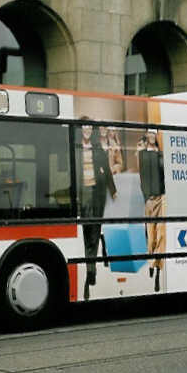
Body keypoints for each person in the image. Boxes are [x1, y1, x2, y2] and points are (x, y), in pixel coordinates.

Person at [77, 119, 117, 300]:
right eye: (84, 127)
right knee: (87, 234)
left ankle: (90, 270)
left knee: (94, 232)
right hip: (83, 194)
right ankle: (89, 266)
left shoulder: (96, 147)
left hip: (97, 193)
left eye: (90, 127)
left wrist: (113, 190)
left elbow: (106, 169)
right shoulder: (75, 147)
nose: (87, 129)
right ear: (80, 129)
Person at [137, 128, 166, 292]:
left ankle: (157, 271)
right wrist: (146, 198)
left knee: (161, 234)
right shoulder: (142, 153)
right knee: (151, 235)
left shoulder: (161, 154)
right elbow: (142, 178)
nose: (152, 135)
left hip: (161, 197)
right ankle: (151, 263)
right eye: (150, 133)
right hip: (149, 199)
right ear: (147, 135)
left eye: (154, 133)